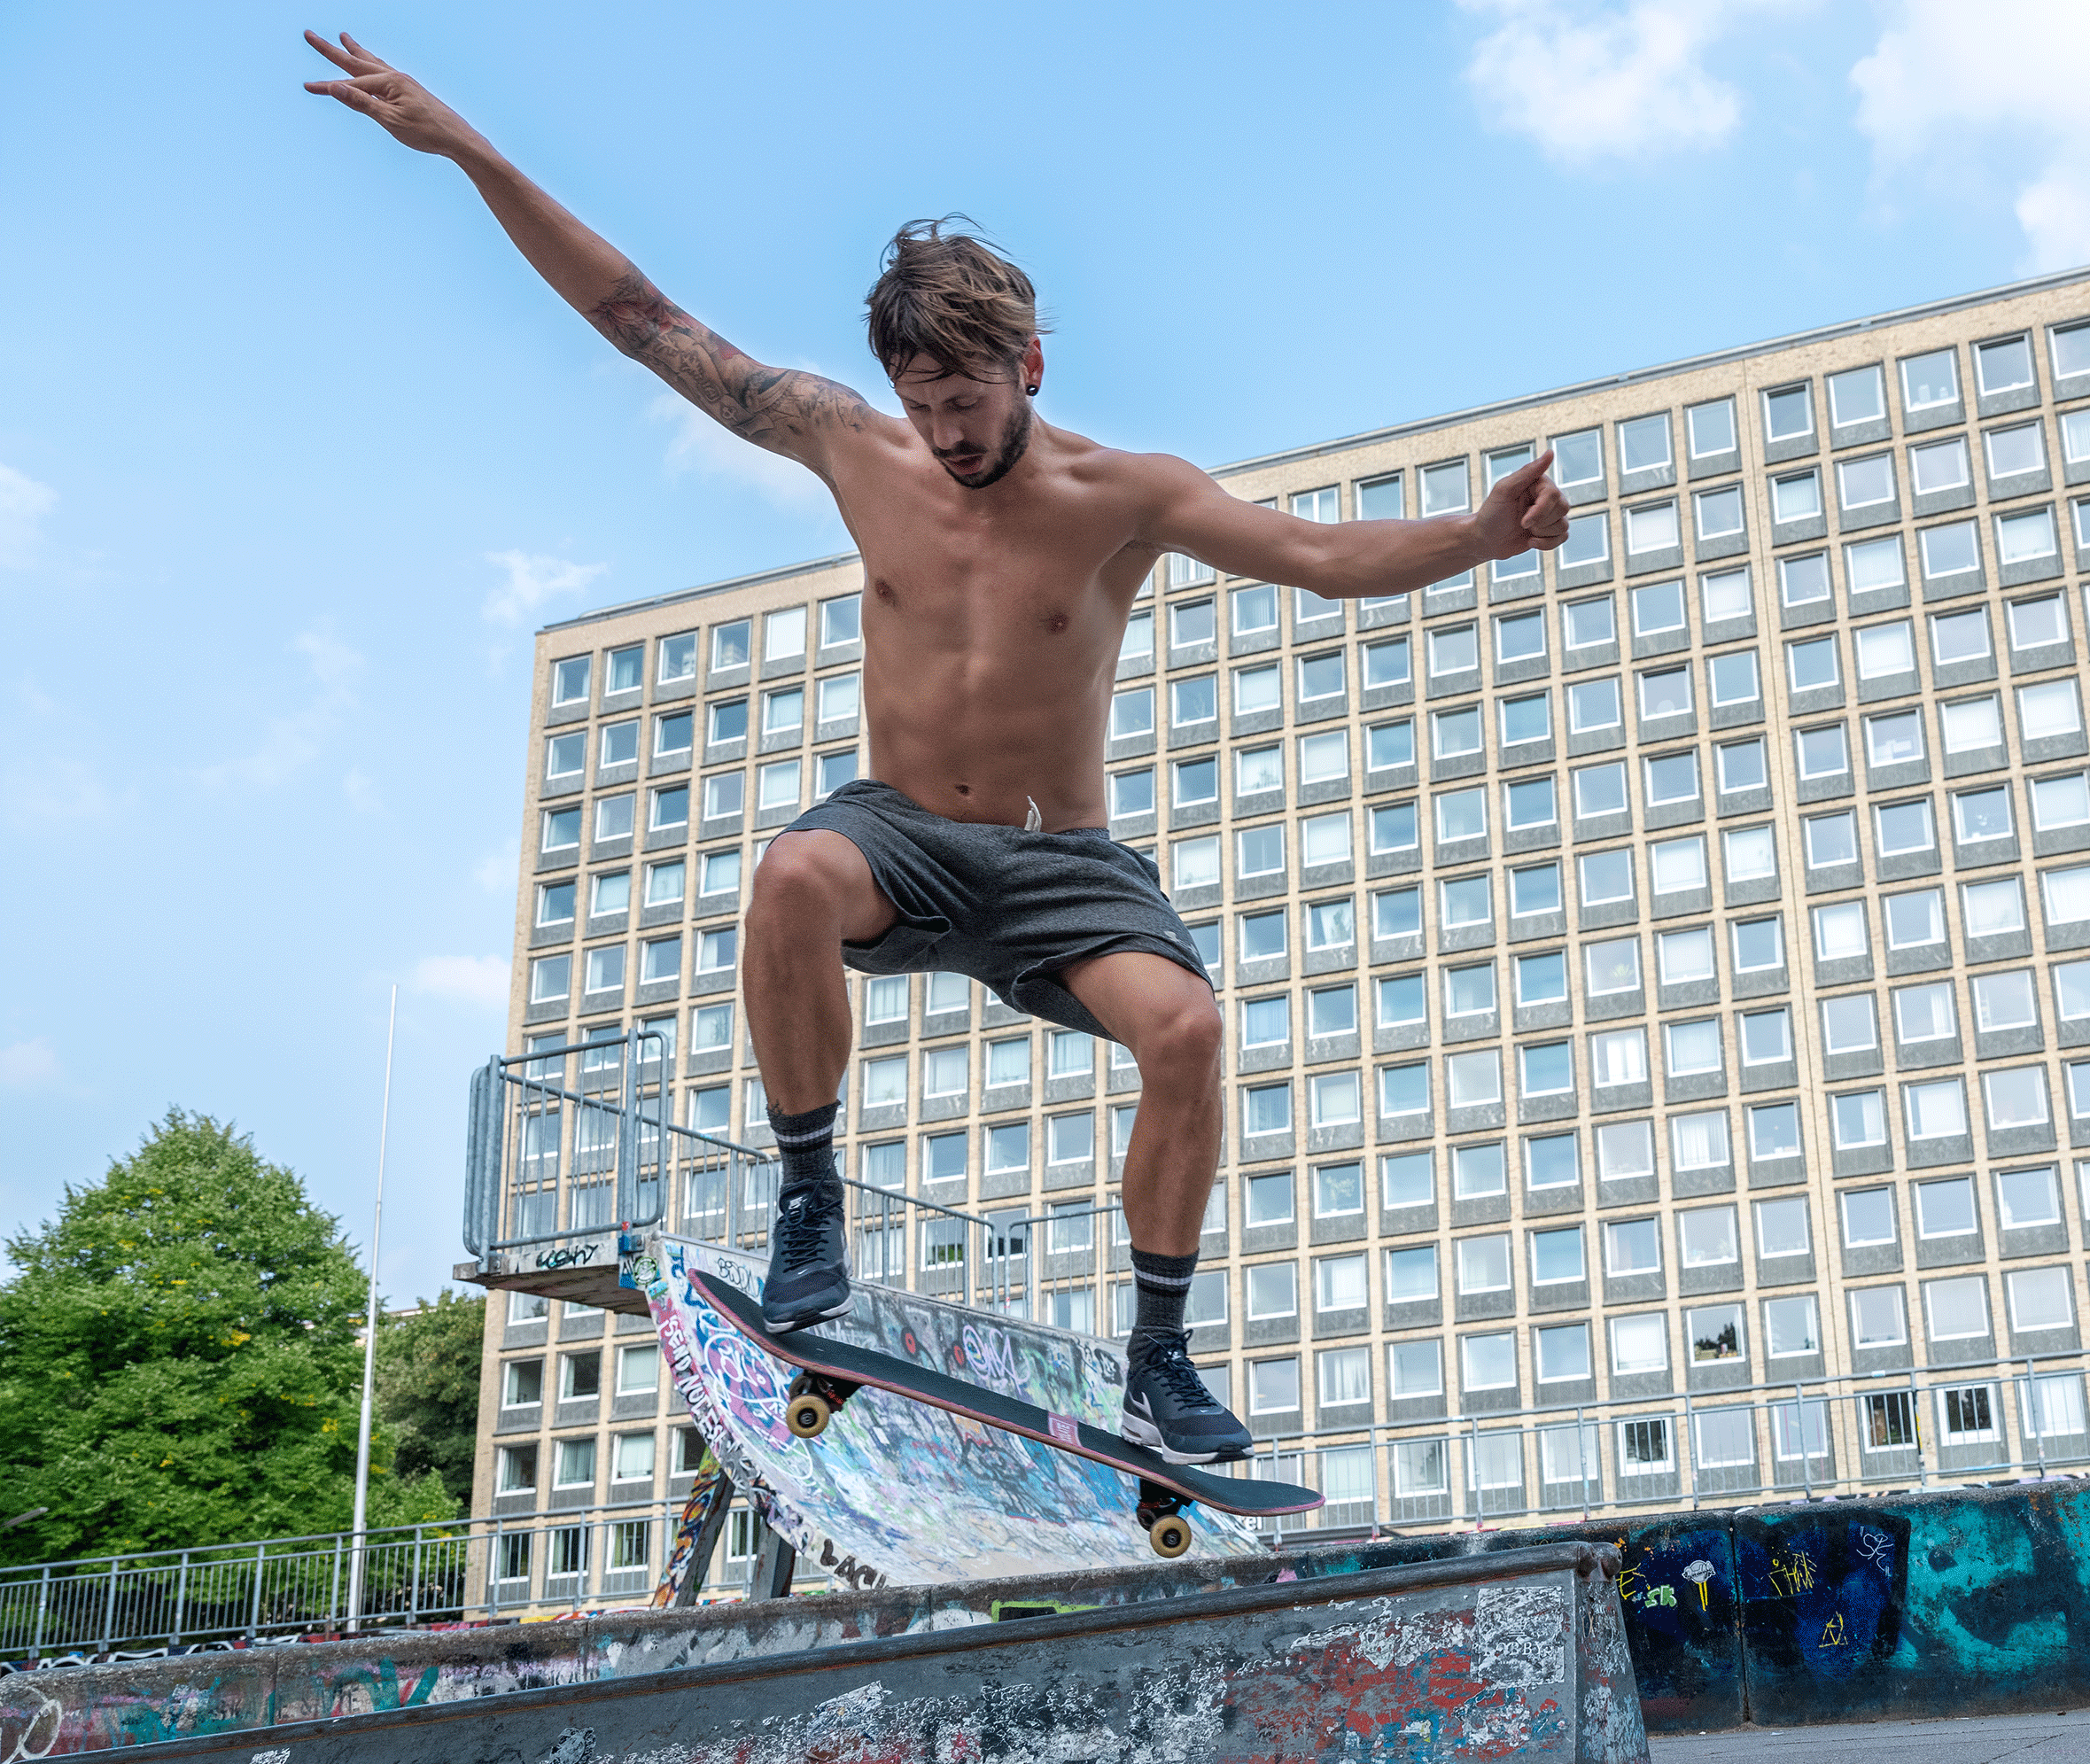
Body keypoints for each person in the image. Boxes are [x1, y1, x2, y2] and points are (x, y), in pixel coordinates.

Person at [305, 33, 1570, 1463]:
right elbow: (639, 316)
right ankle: (809, 1201)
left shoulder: (1124, 491)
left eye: (967, 403)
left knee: (1189, 1030)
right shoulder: (848, 442)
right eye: (922, 407)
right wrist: (471, 149)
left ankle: (1159, 1357)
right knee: (790, 874)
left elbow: (1312, 551)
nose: (947, 435)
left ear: (1026, 364)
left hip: (1055, 860)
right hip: (897, 831)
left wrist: (1474, 535)